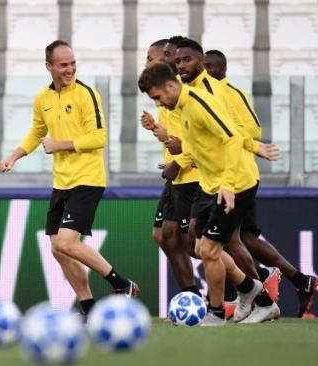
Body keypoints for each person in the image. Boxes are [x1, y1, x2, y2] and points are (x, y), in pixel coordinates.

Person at [0, 40, 139, 318]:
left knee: (66, 242)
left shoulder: (86, 94)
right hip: (61, 182)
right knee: (58, 249)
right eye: (63, 64)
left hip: (87, 178)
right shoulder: (43, 99)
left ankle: (122, 284)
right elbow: (37, 132)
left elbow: (99, 138)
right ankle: (89, 307)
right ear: (49, 66)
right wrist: (13, 157)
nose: (70, 69)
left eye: (73, 63)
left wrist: (61, 144)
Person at [138, 63, 276, 325]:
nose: (158, 103)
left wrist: (227, 182)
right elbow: (197, 145)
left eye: (157, 97)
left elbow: (232, 137)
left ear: (170, 86)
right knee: (200, 246)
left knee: (210, 249)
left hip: (234, 185)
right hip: (210, 185)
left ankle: (216, 313)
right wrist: (178, 162)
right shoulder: (181, 107)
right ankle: (250, 290)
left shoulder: (198, 103)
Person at [204, 49, 318, 318]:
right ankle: (299, 281)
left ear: (221, 70)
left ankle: (261, 298)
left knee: (230, 239)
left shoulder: (231, 93)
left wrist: (227, 132)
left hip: (238, 175)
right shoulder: (203, 94)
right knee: (245, 237)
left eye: (210, 67)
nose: (206, 71)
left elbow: (253, 129)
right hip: (228, 175)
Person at [141, 39, 200, 297]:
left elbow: (202, 140)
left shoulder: (184, 94)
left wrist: (179, 160)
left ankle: (247, 287)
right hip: (175, 173)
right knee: (164, 236)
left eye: (151, 58)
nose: (147, 63)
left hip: (191, 174)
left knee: (198, 243)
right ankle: (192, 296)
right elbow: (173, 137)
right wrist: (157, 129)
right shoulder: (164, 98)